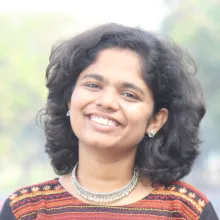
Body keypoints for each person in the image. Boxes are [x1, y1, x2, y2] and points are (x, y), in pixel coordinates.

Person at [0, 23, 219, 220]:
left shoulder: (187, 210)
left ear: (155, 120)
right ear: (69, 99)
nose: (107, 102)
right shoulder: (25, 209)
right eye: (93, 85)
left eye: (129, 94)